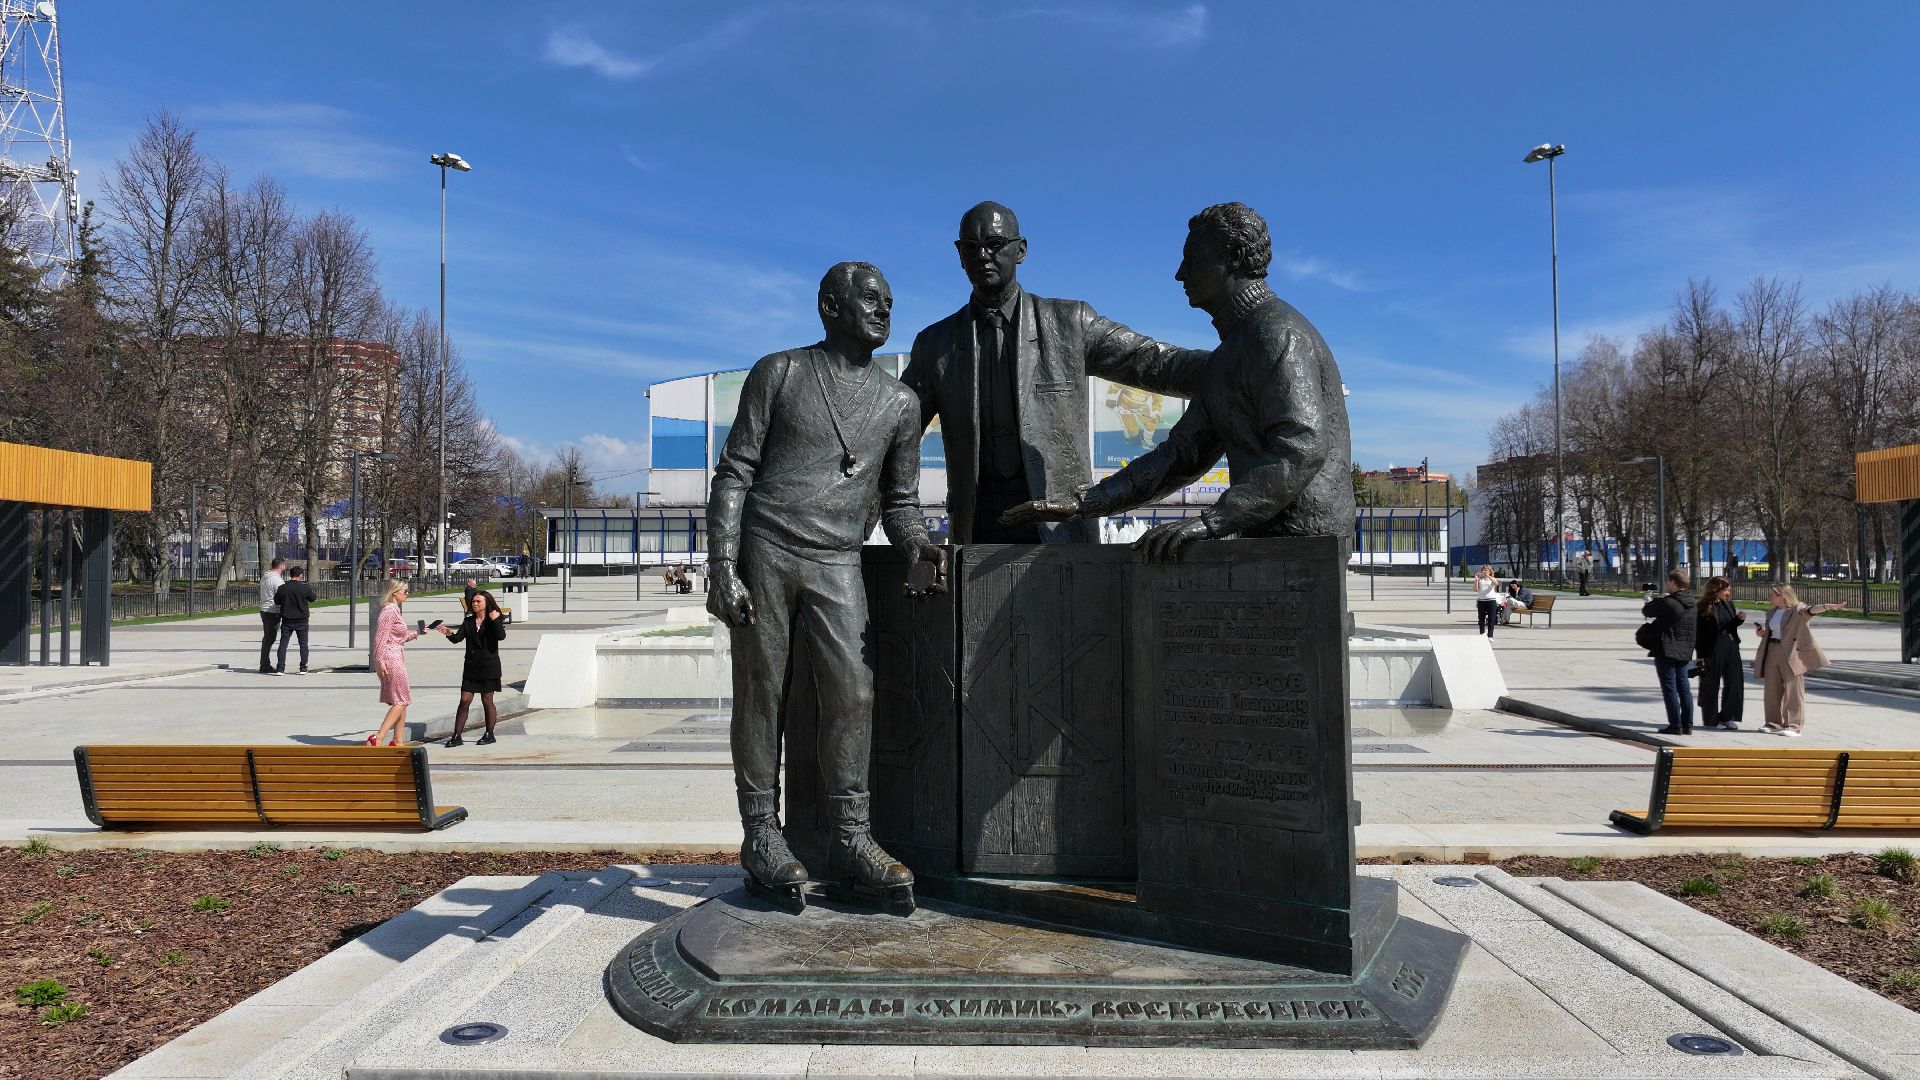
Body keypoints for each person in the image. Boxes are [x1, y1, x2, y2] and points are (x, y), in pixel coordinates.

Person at [708, 261, 946, 913]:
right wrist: (722, 564)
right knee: (762, 693)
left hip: (839, 558)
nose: (884, 309)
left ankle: (850, 837)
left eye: (890, 301)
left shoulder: (901, 403)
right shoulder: (779, 372)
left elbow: (899, 501)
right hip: (768, 549)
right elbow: (734, 473)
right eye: (870, 299)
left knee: (854, 694)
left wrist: (919, 546)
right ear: (829, 306)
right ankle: (761, 834)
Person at [998, 202, 1355, 564]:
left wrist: (1211, 522)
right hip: (1273, 543)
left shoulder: (1277, 335)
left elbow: (1302, 446)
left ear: (1234, 257)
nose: (1180, 274)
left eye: (1193, 259)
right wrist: (1083, 503)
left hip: (1307, 544)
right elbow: (1179, 456)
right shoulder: (1230, 354)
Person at [901, 201, 1208, 544]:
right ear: (959, 255)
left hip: (1060, 525)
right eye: (971, 247)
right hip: (977, 526)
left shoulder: (1069, 323)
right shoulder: (935, 344)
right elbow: (894, 426)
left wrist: (1235, 365)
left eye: (995, 244)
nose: (983, 255)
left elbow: (1152, 361)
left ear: (1021, 250)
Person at [1754, 584, 1846, 736]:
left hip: (1790, 653)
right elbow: (1774, 631)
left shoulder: (1796, 610)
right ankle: (1772, 723)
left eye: (1772, 595)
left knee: (1793, 690)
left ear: (1782, 596)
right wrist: (1762, 633)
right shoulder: (1771, 612)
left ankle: (1794, 725)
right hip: (1771, 650)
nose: (1770, 597)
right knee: (1771, 689)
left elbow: (1810, 610)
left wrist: (1826, 606)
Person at [438, 588, 507, 746]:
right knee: (464, 700)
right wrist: (449, 633)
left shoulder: (494, 618)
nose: (474, 603)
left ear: (486, 603)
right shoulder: (468, 621)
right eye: (473, 601)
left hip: (489, 665)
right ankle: (457, 736)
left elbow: (501, 636)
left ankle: (489, 734)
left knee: (487, 700)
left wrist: (496, 620)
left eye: (478, 601)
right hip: (471, 666)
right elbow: (457, 639)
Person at [1642, 569, 1698, 735]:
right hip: (1685, 649)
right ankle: (1687, 724)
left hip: (1667, 649)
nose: (1667, 584)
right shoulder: (1691, 602)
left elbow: (1647, 611)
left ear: (1673, 582)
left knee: (1669, 688)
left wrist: (1659, 598)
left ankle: (1675, 724)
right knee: (1684, 687)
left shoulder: (1669, 602)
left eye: (1669, 582)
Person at [370, 579, 423, 746]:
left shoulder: (395, 610)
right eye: (405, 591)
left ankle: (398, 740)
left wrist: (417, 633)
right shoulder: (389, 611)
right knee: (401, 700)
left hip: (396, 655)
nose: (407, 593)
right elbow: (380, 638)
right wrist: (379, 662)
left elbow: (397, 637)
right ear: (395, 593)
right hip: (390, 658)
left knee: (401, 700)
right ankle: (378, 737)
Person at [1695, 575, 1746, 730]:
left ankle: (1727, 716)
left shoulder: (1728, 604)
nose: (1728, 593)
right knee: (1711, 683)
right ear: (1715, 590)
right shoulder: (1703, 606)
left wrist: (1738, 620)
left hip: (1730, 644)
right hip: (1712, 647)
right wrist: (1700, 656)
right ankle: (1711, 719)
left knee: (1735, 681)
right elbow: (1701, 634)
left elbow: (1728, 626)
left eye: (1729, 590)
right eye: (1725, 590)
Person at [272, 566, 316, 675]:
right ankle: (303, 668)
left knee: (283, 644)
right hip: (302, 620)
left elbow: (277, 601)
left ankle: (280, 668)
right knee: (303, 645)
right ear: (301, 575)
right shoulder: (304, 588)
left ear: (290, 575)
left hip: (287, 620)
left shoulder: (283, 588)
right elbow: (313, 599)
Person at [257, 557, 286, 674]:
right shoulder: (276, 580)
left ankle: (264, 663)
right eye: (284, 565)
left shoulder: (265, 577)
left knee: (268, 638)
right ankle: (264, 664)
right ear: (281, 566)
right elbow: (283, 595)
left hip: (265, 609)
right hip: (272, 611)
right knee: (269, 638)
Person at [1472, 565, 1500, 638]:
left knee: (1491, 618)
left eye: (1486, 570)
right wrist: (1476, 580)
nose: (1484, 572)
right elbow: (1476, 590)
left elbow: (1496, 583)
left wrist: (1489, 576)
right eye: (1483, 570)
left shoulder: (1492, 579)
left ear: (1490, 572)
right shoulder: (1480, 580)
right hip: (1481, 600)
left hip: (1491, 601)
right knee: (1481, 618)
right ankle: (1482, 634)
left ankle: (1490, 635)